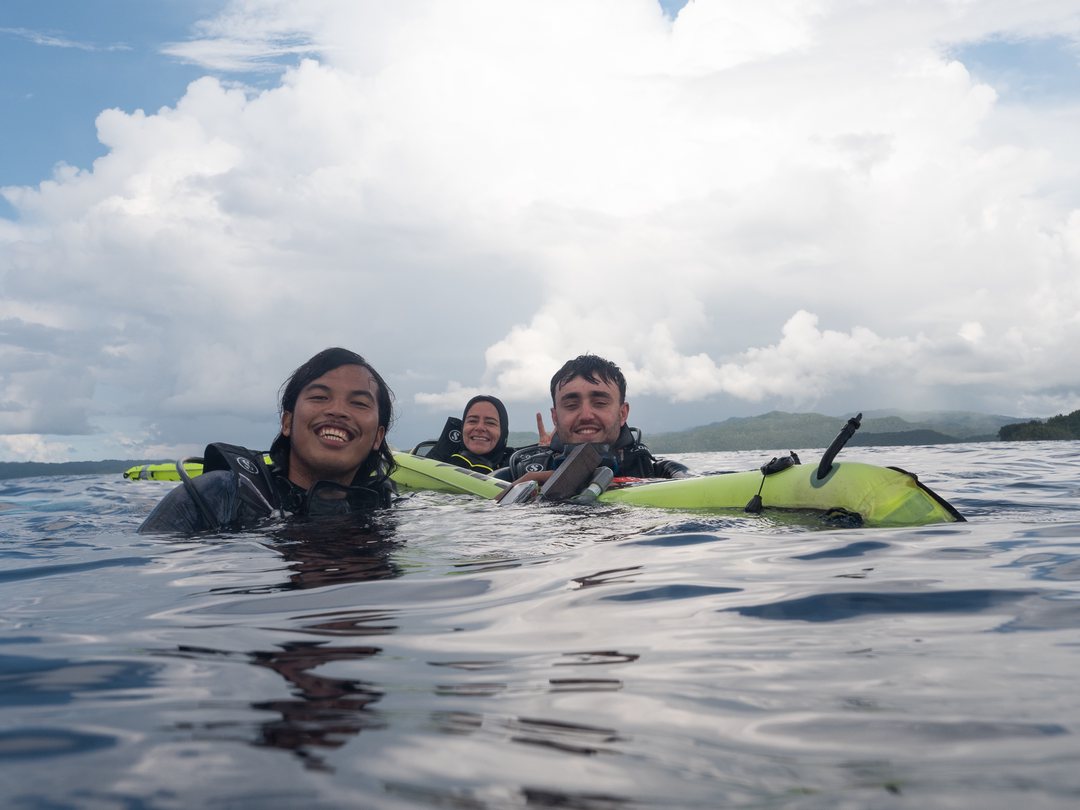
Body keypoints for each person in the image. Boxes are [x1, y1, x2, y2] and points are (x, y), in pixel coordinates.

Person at [139, 348, 396, 533]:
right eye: (319, 397)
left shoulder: (388, 510)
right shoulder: (219, 494)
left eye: (359, 403)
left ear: (378, 437)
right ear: (287, 422)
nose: (338, 411)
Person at [503, 354, 690, 481]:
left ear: (622, 413)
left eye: (600, 403)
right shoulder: (521, 475)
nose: (586, 415)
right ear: (555, 417)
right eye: (571, 405)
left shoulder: (661, 474)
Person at [419, 395, 514, 474]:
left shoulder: (515, 472)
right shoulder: (437, 461)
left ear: (503, 432)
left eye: (490, 423)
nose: (479, 427)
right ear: (462, 427)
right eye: (472, 421)